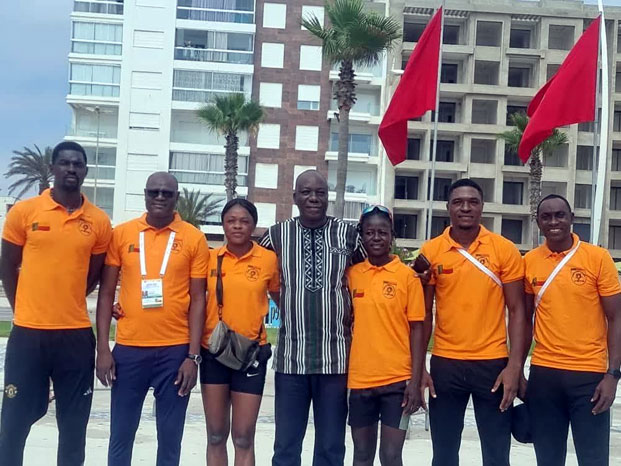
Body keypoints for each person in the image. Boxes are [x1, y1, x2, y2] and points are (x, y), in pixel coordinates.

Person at [0, 141, 112, 466]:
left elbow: (93, 276)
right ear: (53, 168)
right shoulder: (24, 212)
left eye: (78, 164)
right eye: (65, 163)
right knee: (13, 425)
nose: (71, 169)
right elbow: (8, 266)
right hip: (28, 335)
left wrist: (67, 298)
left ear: (86, 171)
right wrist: (23, 307)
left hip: (75, 337)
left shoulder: (99, 221)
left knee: (74, 429)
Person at [96, 172, 208, 466]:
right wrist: (103, 349)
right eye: (154, 192)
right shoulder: (122, 234)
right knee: (121, 435)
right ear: (145, 195)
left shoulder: (193, 238)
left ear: (176, 198)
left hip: (175, 352)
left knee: (170, 439)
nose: (160, 197)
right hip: (129, 350)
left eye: (166, 193)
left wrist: (192, 357)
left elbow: (199, 299)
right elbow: (106, 294)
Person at [259, 169, 365, 466]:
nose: (313, 198)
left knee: (331, 445)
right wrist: (286, 302)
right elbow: (256, 270)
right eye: (306, 192)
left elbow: (367, 274)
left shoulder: (348, 234)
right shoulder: (277, 234)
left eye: (320, 192)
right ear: (295, 197)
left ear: (327, 197)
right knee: (286, 445)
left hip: (336, 359)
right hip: (291, 359)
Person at [419, 178, 526, 466]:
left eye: (472, 202)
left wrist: (514, 367)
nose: (465, 207)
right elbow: (423, 313)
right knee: (444, 454)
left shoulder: (504, 249)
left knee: (497, 453)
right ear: (448, 207)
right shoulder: (431, 251)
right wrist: (419, 369)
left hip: (493, 365)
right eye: (458, 202)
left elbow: (517, 310)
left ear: (482, 207)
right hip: (445, 364)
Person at [523, 194, 621, 466]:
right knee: (548, 459)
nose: (554, 222)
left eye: (560, 215)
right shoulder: (529, 261)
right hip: (544, 375)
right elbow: (524, 319)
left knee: (593, 459)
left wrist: (613, 375)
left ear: (571, 219)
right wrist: (517, 370)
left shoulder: (597, 258)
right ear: (538, 222)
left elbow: (616, 318)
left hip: (589, 376)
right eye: (546, 217)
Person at [201, 198, 280, 465]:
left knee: (244, 437)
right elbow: (189, 298)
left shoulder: (268, 260)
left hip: (251, 355)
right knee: (215, 435)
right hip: (213, 352)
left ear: (254, 226)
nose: (237, 226)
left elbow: (282, 299)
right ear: (223, 224)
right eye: (231, 221)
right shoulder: (209, 258)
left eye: (244, 221)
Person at [346, 205, 425, 466]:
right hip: (360, 381)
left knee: (391, 457)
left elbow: (417, 330)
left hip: (398, 383)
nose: (376, 238)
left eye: (382, 232)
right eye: (370, 232)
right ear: (362, 236)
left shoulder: (408, 277)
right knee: (361, 456)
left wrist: (415, 382)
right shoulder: (352, 275)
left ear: (392, 236)